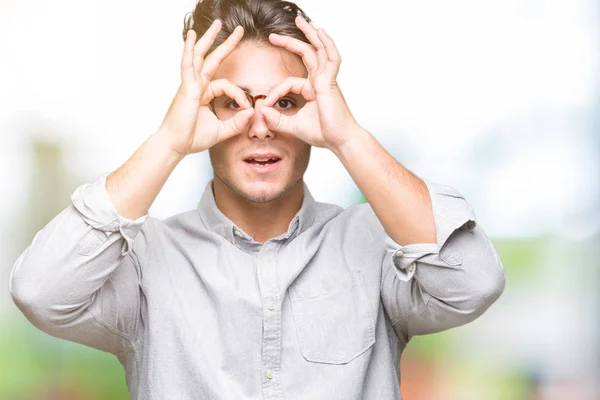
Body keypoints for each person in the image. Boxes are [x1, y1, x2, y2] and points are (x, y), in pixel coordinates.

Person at [8, 0, 506, 398]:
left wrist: (347, 137)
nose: (262, 125)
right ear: (202, 109)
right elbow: (41, 292)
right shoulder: (144, 262)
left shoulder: (378, 246)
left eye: (286, 102)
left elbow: (474, 283)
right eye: (233, 102)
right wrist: (169, 141)